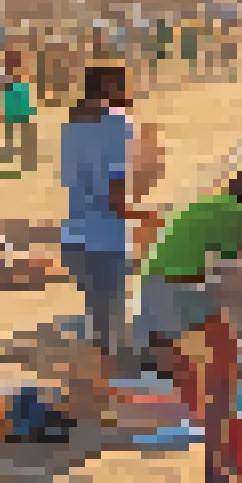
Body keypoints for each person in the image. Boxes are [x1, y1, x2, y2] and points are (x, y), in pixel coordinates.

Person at [135, 162, 242, 483]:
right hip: (179, 291)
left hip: (152, 290)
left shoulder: (212, 204)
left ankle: (221, 460)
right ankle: (215, 470)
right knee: (223, 377)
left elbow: (209, 269)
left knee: (198, 381)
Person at [59, 65, 156, 419]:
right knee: (111, 332)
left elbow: (76, 184)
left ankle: (103, 401)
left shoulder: (69, 127)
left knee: (101, 325)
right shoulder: (120, 124)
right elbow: (115, 194)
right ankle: (108, 407)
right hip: (105, 241)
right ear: (113, 87)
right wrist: (146, 215)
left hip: (75, 238)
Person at [1, 49, 38, 172]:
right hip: (19, 115)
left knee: (18, 141)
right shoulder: (17, 83)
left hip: (17, 115)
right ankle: (25, 164)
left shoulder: (17, 83)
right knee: (20, 141)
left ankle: (24, 163)